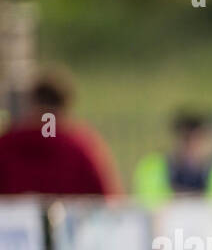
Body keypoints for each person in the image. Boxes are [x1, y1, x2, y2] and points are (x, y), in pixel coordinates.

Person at [0, 68, 122, 196]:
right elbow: (108, 201)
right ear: (66, 106)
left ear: (31, 104)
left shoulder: (6, 145)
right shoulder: (82, 147)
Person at [134, 109, 212, 210]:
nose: (192, 145)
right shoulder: (155, 166)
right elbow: (149, 205)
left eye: (198, 139)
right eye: (187, 139)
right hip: (169, 230)